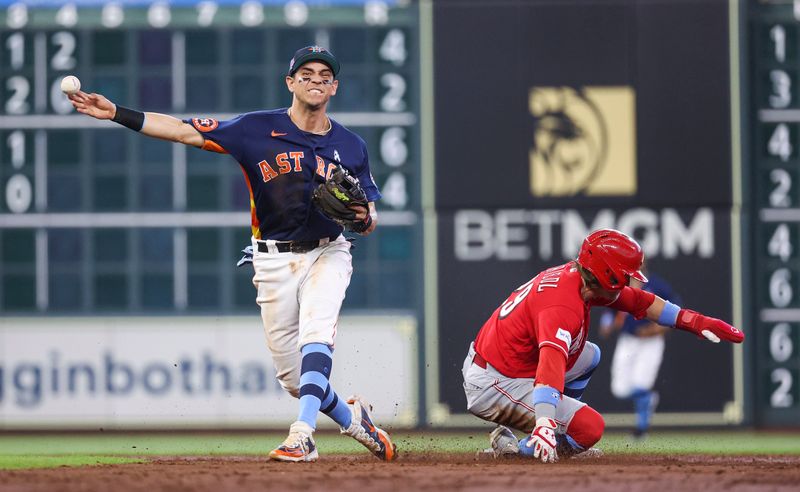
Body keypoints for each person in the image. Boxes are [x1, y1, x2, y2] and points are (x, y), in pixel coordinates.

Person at [68, 45, 396, 463]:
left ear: (334, 87)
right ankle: (354, 421)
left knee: (318, 330)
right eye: (307, 73)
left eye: (325, 75)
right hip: (273, 260)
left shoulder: (351, 146)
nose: (316, 79)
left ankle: (303, 434)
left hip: (326, 252)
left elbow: (368, 213)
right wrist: (117, 112)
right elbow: (184, 130)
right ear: (290, 82)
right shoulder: (255, 130)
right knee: (295, 381)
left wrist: (365, 220)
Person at [462, 229, 744, 462]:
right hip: (492, 382)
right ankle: (522, 449)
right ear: (607, 273)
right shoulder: (563, 304)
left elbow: (640, 302)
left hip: (508, 365)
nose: (632, 279)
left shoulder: (579, 279)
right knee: (590, 428)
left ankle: (555, 434)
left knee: (588, 354)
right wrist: (545, 422)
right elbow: (551, 361)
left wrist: (695, 321)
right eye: (627, 273)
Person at [598, 265, 679, 439]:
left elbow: (676, 311)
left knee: (641, 383)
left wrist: (656, 330)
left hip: (650, 342)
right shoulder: (622, 284)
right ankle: (647, 398)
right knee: (619, 388)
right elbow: (609, 310)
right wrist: (606, 323)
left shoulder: (657, 285)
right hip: (628, 340)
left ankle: (641, 429)